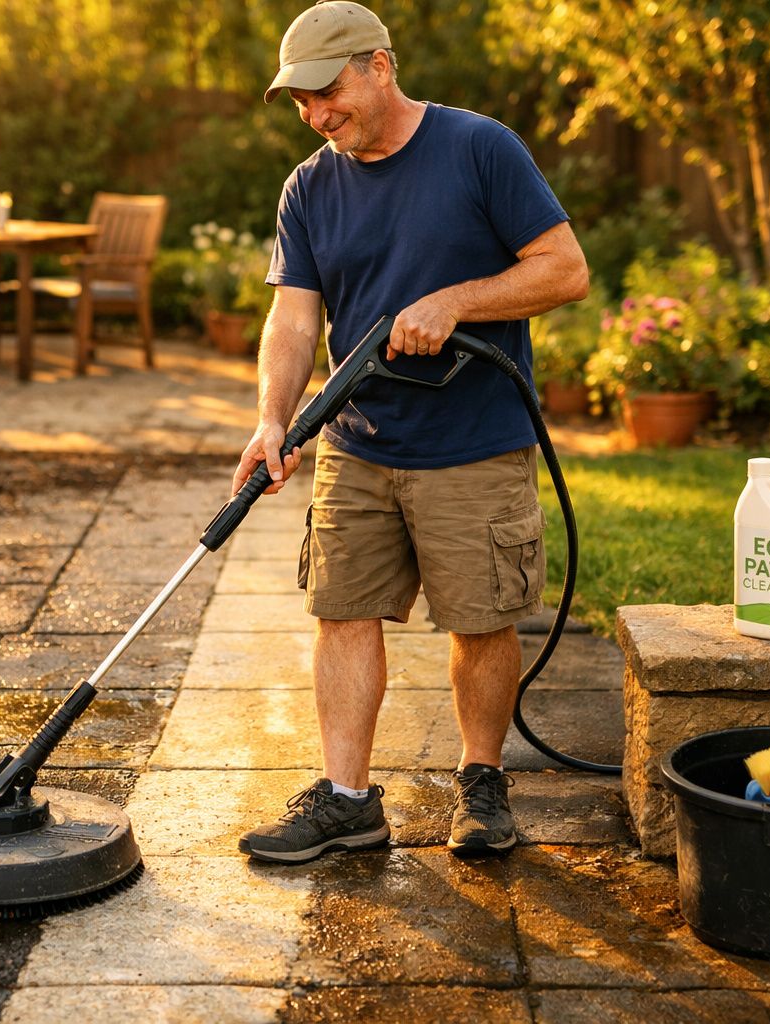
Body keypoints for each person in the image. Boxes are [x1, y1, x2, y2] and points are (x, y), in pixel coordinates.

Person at [233, 1, 589, 864]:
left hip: (474, 442)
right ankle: (349, 800)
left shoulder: (479, 149)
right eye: (302, 102)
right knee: (342, 611)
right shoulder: (310, 186)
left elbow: (564, 270)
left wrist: (456, 301)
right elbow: (291, 318)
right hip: (358, 444)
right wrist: (273, 421)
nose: (317, 114)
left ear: (380, 66)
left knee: (479, 622)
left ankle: (480, 782)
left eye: (329, 91)